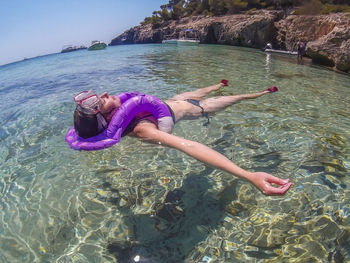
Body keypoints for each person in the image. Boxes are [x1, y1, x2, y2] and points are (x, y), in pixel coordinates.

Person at [73, 81, 292, 195]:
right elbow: (189, 146)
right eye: (102, 102)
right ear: (109, 117)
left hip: (175, 101)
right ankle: (264, 92)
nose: (104, 95)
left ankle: (220, 84)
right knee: (238, 98)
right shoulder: (142, 129)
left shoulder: (124, 112)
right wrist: (248, 175)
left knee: (212, 88)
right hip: (199, 109)